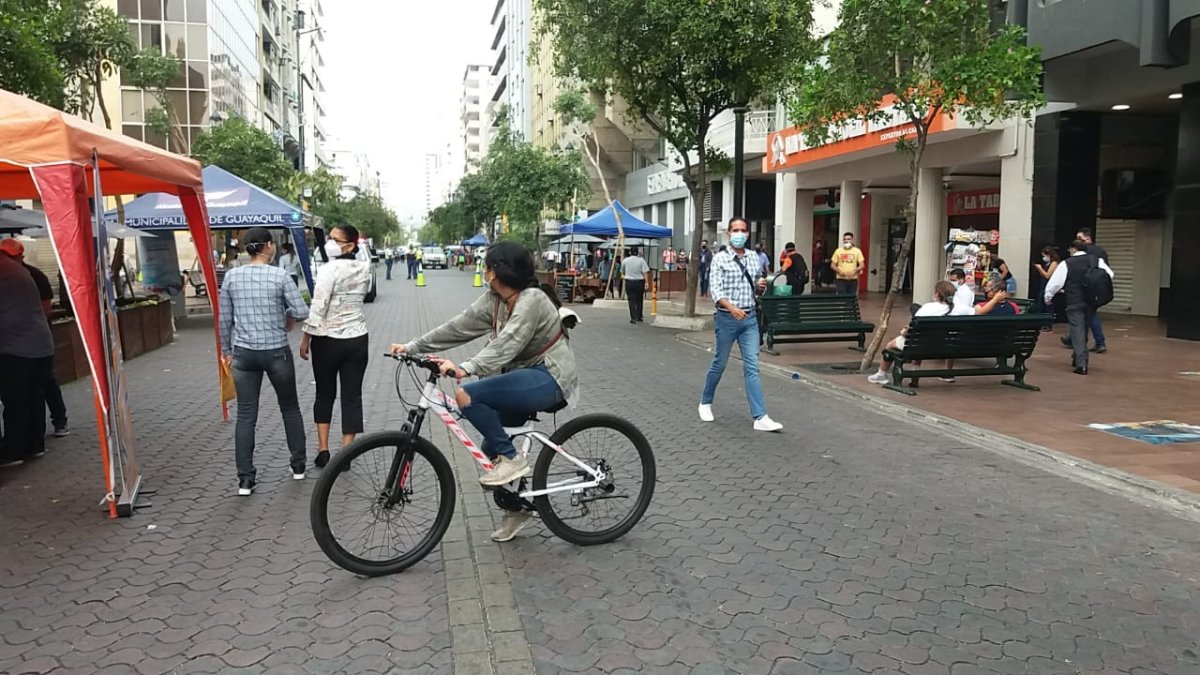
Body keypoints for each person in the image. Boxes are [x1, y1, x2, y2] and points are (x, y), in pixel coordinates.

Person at [389, 241, 578, 542]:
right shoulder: (496, 298)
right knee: (489, 458)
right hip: (519, 376)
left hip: (549, 378)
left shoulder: (532, 300)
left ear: (497, 272)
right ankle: (518, 508)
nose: (484, 271)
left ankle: (514, 460)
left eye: (487, 266)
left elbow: (508, 344)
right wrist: (413, 347)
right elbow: (458, 326)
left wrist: (465, 368)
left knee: (469, 396)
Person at [218, 227, 310, 495]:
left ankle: (245, 479)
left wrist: (226, 349)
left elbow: (224, 319)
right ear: (269, 245)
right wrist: (283, 313)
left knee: (246, 415)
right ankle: (298, 466)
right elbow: (302, 311)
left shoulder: (232, 277)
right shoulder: (280, 276)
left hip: (244, 354)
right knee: (290, 408)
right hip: (276, 352)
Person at [698, 217, 783, 432]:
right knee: (720, 362)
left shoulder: (754, 257)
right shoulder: (719, 259)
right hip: (727, 318)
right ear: (728, 233)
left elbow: (755, 286)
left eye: (743, 230)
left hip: (749, 319)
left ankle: (760, 416)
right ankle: (705, 402)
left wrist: (761, 286)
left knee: (752, 366)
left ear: (747, 233)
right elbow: (715, 291)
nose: (739, 234)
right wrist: (732, 308)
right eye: (735, 230)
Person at [300, 225, 372, 470]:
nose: (329, 242)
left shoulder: (328, 270)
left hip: (327, 339)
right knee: (352, 396)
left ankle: (323, 450)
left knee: (324, 394)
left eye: (334, 239)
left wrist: (306, 338)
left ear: (350, 245)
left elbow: (318, 306)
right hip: (357, 338)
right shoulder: (365, 268)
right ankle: (346, 453)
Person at [0, 239, 68, 437]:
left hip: (30, 341)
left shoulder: (32, 275)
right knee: (34, 393)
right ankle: (33, 442)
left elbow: (45, 309)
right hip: (30, 340)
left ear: (19, 256)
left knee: (43, 386)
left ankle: (59, 421)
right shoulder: (16, 272)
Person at [867, 281, 957, 384]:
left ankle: (881, 375)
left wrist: (904, 331)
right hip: (947, 346)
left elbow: (913, 329)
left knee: (891, 345)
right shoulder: (958, 308)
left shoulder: (928, 307)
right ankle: (914, 379)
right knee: (919, 342)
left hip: (920, 344)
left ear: (937, 293)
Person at [1045, 239, 1113, 375]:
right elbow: (1110, 274)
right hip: (1091, 302)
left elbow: (1055, 284)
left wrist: (1048, 297)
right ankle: (1077, 356)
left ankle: (1081, 364)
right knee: (1084, 329)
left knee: (1077, 330)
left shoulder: (1067, 263)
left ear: (1073, 248)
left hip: (1074, 301)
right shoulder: (1095, 260)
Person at [1066, 227, 1109, 354]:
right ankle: (1073, 338)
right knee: (1087, 314)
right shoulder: (1100, 251)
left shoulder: (1086, 252)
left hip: (1085, 288)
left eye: (1079, 238)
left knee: (1089, 315)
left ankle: (1098, 341)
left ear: (1087, 238)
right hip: (1097, 287)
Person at [1033, 245, 1061, 330]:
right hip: (1043, 286)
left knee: (1049, 306)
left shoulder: (1054, 263)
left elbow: (1047, 275)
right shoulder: (1047, 263)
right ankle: (1041, 323)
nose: (1044, 258)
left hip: (1049, 287)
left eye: (1044, 256)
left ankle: (1049, 325)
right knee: (1041, 305)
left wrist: (1040, 268)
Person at [621, 247, 651, 323]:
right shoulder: (641, 260)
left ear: (630, 252)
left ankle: (633, 317)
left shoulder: (625, 260)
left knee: (631, 300)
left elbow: (622, 271)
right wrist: (647, 283)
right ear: (637, 252)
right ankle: (639, 316)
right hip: (639, 282)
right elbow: (645, 272)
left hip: (629, 282)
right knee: (639, 299)